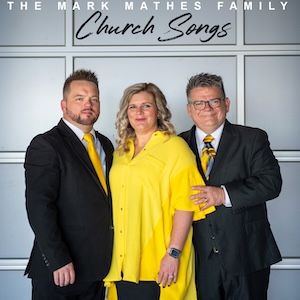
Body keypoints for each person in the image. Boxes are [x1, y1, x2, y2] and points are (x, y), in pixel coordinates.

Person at [103, 82, 215, 300]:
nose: (139, 112)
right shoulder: (120, 152)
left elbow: (186, 205)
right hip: (122, 262)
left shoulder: (176, 148)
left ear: (159, 111)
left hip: (159, 261)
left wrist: (173, 254)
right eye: (133, 107)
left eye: (146, 106)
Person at [179, 72, 282, 300]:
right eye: (199, 102)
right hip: (199, 257)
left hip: (246, 252)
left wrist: (223, 195)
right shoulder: (177, 144)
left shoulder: (253, 138)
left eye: (214, 100)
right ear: (189, 109)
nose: (207, 108)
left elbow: (271, 183)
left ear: (226, 104)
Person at [24, 69, 114, 300]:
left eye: (94, 99)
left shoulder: (105, 145)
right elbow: (39, 207)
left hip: (98, 270)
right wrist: (58, 260)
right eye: (79, 98)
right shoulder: (46, 144)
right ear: (64, 105)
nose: (88, 104)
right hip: (61, 272)